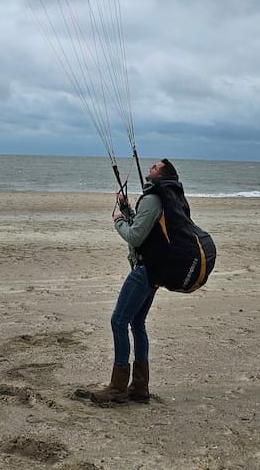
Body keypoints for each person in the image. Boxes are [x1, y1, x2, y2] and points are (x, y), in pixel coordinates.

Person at [91, 157, 213, 406]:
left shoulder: (152, 198)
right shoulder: (170, 199)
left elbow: (135, 236)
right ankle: (139, 387)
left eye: (155, 167)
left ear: (161, 175)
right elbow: (149, 227)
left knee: (118, 321)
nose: (150, 169)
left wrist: (118, 222)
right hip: (157, 272)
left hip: (145, 271)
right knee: (137, 323)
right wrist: (128, 210)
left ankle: (117, 388)